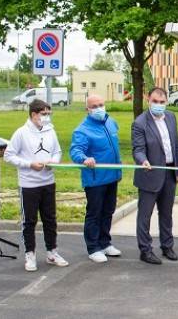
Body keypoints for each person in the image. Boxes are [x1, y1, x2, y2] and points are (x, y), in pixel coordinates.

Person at [4, 99, 69, 272]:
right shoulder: (21, 133)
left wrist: (53, 162)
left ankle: (52, 252)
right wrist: (29, 164)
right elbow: (9, 156)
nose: (47, 117)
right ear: (34, 115)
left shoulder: (50, 131)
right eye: (44, 114)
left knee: (50, 219)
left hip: (48, 181)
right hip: (29, 184)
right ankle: (30, 254)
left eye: (49, 114)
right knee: (30, 220)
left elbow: (57, 152)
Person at [132, 87, 178, 265]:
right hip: (150, 173)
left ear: (166, 102)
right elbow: (138, 149)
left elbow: (176, 145)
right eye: (155, 102)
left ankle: (167, 246)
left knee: (166, 213)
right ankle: (145, 250)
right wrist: (143, 161)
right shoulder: (140, 123)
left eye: (162, 102)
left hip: (169, 173)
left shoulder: (171, 117)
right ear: (148, 100)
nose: (159, 105)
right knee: (145, 215)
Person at [70, 94, 122, 263]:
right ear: (88, 109)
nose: (99, 108)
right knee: (94, 213)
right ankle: (93, 248)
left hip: (112, 176)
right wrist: (84, 158)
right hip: (95, 179)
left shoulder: (110, 122)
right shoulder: (82, 130)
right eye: (95, 106)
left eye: (101, 104)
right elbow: (76, 150)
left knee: (108, 211)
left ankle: (105, 243)